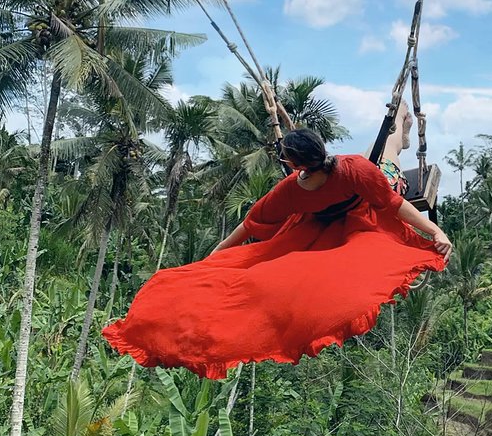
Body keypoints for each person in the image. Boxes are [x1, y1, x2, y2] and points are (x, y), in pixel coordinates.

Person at [102, 128, 452, 380]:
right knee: (284, 279)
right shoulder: (290, 191)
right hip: (319, 230)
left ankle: (402, 123)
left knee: (390, 152)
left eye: (291, 165)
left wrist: (435, 232)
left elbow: (393, 203)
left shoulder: (355, 170)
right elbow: (251, 226)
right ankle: (398, 126)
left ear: (298, 165)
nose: (291, 172)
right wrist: (213, 261)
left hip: (366, 216)